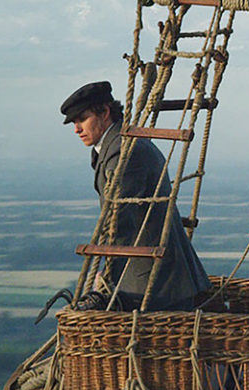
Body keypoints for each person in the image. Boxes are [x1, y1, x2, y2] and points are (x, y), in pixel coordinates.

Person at [61, 80, 211, 311]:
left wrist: (108, 274)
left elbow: (119, 220)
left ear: (105, 113)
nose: (76, 129)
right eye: (74, 122)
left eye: (82, 119)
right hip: (156, 275)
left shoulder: (124, 152)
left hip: (156, 283)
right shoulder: (119, 145)